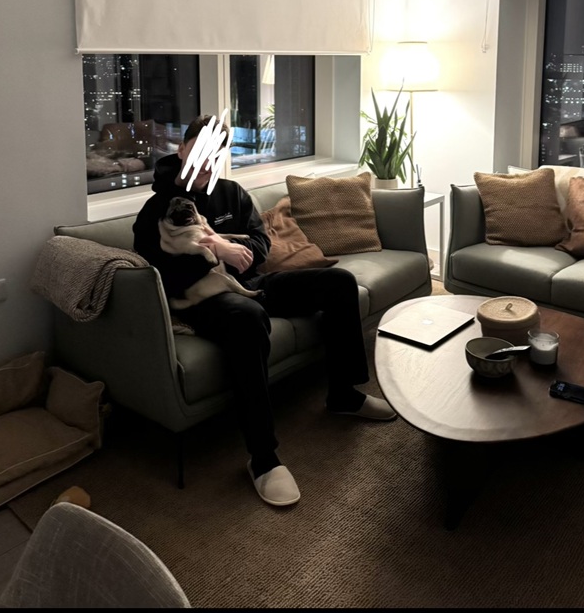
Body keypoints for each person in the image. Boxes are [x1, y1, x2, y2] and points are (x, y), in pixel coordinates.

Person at [133, 114, 396, 509]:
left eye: (214, 155)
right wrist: (216, 250)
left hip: (251, 284)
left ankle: (343, 394)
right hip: (202, 300)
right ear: (182, 150)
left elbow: (260, 243)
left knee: (340, 283)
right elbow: (161, 273)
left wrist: (240, 251)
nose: (206, 163)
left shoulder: (232, 193)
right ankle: (263, 458)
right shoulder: (157, 209)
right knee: (247, 317)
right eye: (199, 152)